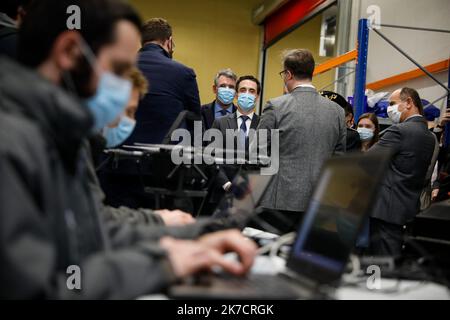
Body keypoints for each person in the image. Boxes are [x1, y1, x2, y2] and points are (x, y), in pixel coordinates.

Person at [0, 0, 256, 299]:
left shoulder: (57, 138)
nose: (126, 87)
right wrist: (164, 262)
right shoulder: (14, 143)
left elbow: (92, 229)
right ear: (69, 52)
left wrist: (192, 234)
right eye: (120, 69)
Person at [257, 49, 346, 233]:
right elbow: (339, 159)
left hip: (279, 201)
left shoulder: (276, 106)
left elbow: (257, 152)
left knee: (274, 256)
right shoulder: (337, 111)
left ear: (288, 74)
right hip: (319, 203)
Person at [368, 87, 435, 256]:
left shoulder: (399, 131)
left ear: (409, 103)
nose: (388, 109)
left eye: (392, 103)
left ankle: (373, 282)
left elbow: (366, 161)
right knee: (393, 266)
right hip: (408, 209)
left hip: (385, 211)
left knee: (377, 265)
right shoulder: (429, 136)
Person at [124, 17, 201, 145]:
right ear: (169, 41)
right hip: (168, 158)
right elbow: (196, 119)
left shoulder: (121, 68)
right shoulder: (183, 73)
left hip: (124, 154)